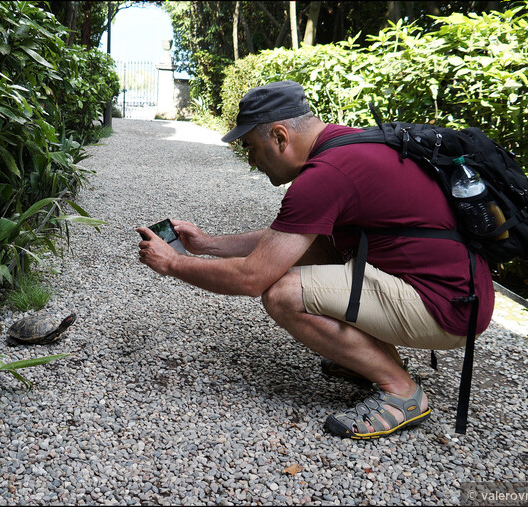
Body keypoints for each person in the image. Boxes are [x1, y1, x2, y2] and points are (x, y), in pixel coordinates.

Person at [136, 80, 493, 439]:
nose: (251, 161)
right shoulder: (347, 144)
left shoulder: (325, 175)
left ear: (279, 136)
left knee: (282, 293)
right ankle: (367, 361)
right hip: (460, 293)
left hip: (446, 310)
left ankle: (402, 391)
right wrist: (207, 245)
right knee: (317, 250)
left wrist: (173, 263)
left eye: (251, 148)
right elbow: (286, 241)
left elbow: (251, 278)